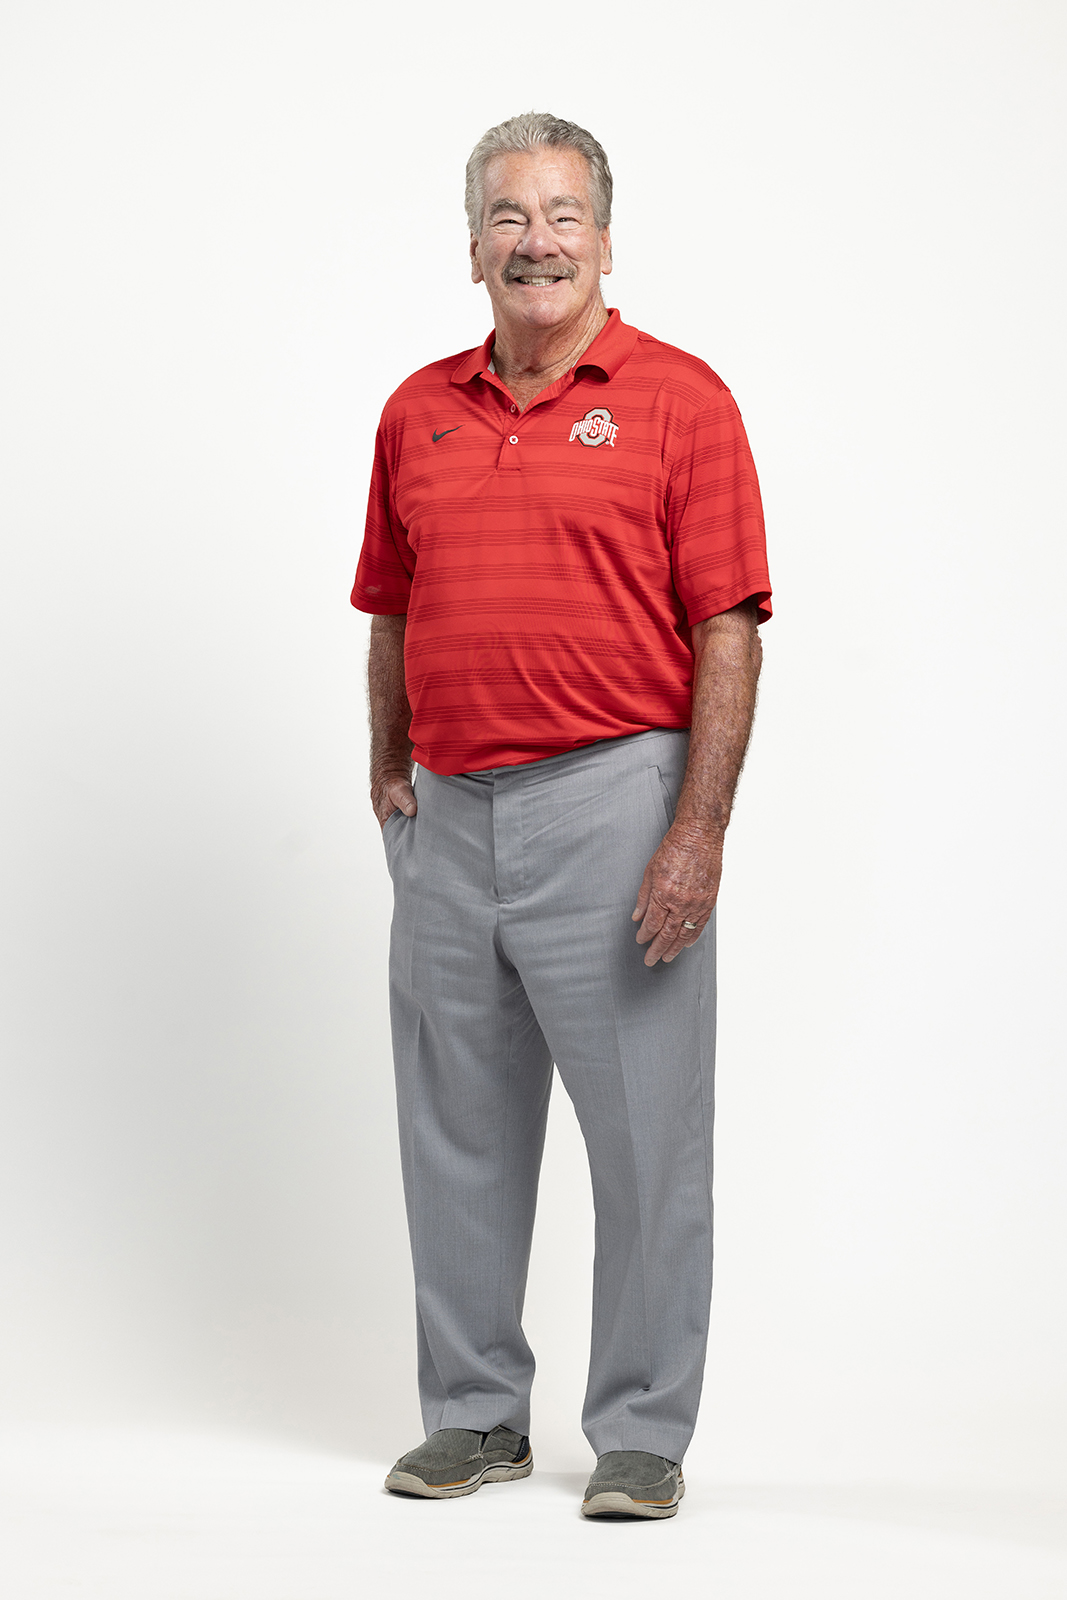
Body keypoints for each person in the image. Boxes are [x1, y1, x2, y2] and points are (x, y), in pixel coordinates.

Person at [351, 112, 771, 1520]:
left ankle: (643, 1431)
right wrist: (389, 764)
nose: (536, 240)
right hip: (453, 817)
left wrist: (696, 829)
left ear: (604, 237)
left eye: (563, 213)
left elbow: (727, 630)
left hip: (614, 799)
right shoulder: (417, 410)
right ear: (472, 245)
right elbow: (393, 604)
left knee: (648, 1135)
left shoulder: (681, 400)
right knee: (454, 1132)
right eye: (509, 215)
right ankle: (474, 1417)